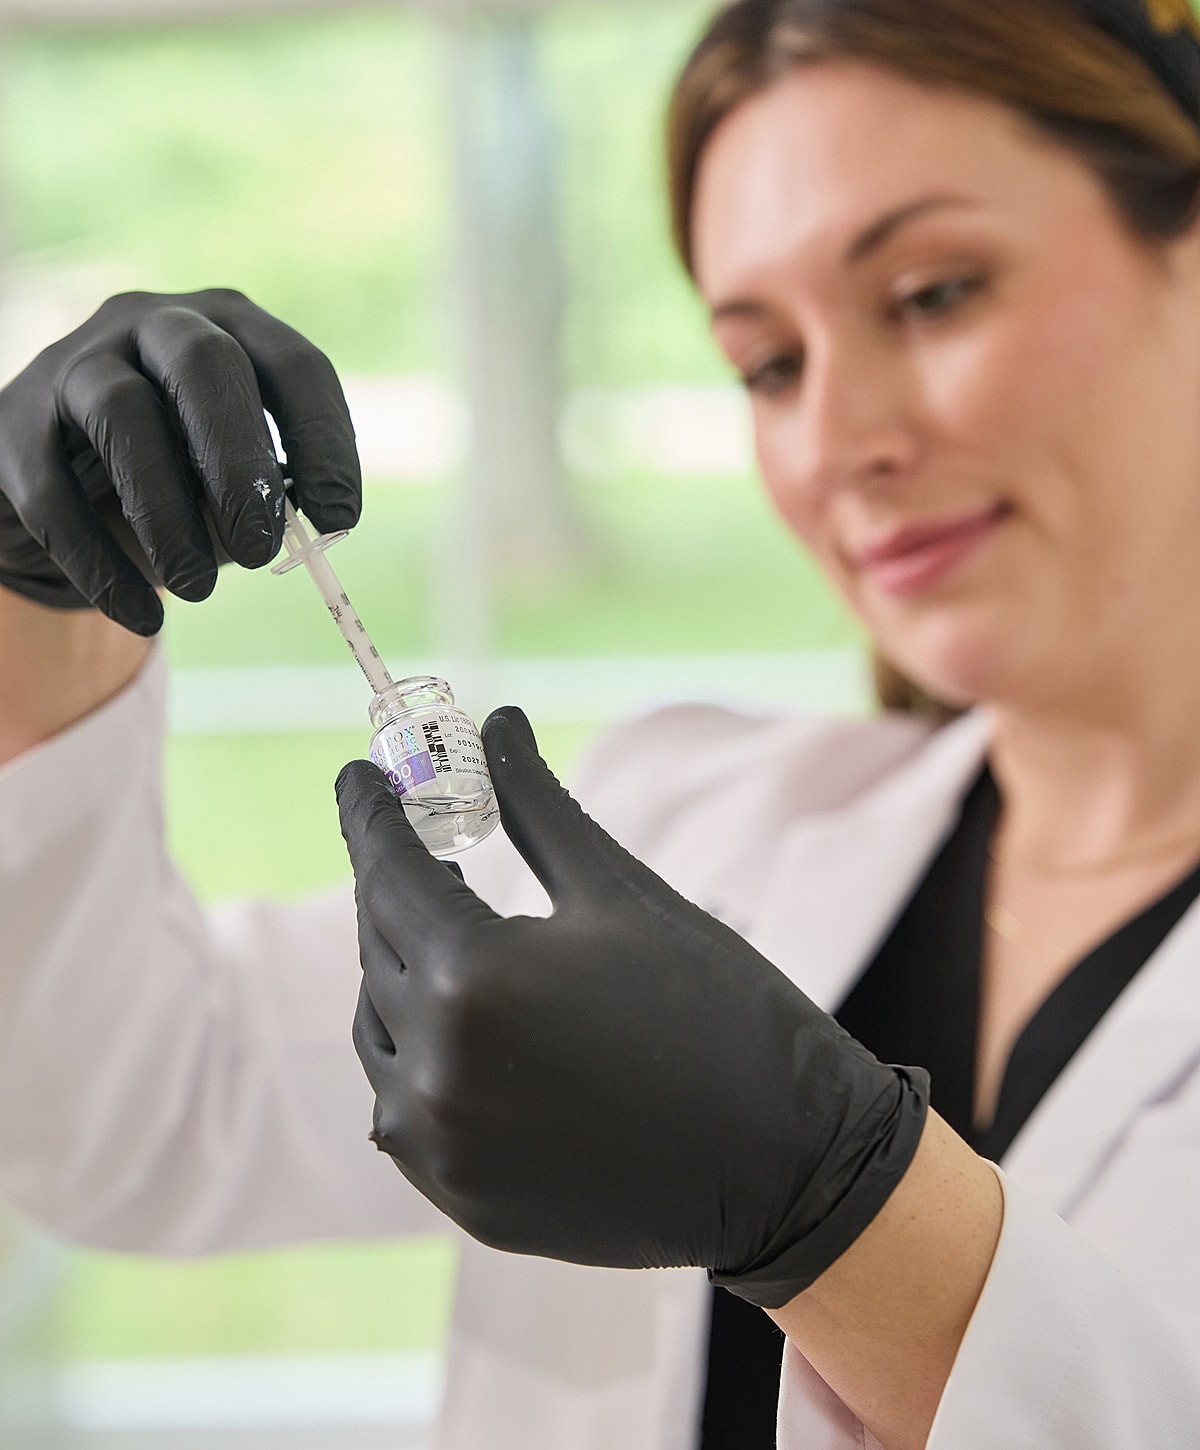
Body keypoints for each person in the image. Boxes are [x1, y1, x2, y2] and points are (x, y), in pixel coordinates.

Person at [3, 0, 1200, 1445]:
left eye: (934, 291)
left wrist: (843, 1212)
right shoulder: (687, 825)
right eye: (769, 364)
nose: (836, 439)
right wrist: (34, 591)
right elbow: (129, 1107)